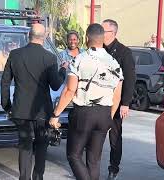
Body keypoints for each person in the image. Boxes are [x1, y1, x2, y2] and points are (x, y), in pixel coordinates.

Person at [50, 23, 124, 180]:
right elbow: (117, 95)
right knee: (94, 161)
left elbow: (70, 90)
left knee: (74, 155)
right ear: (103, 39)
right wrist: (109, 116)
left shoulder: (79, 60)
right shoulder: (114, 63)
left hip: (84, 113)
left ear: (86, 38)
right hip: (105, 113)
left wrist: (56, 114)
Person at [1, 23, 68, 180]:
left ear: (28, 36)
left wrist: (7, 106)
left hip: (20, 109)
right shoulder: (50, 57)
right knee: (41, 146)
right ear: (44, 38)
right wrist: (63, 70)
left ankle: (24, 177)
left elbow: (5, 82)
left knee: (25, 147)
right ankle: (38, 177)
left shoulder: (15, 54)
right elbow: (56, 84)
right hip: (42, 111)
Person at [101, 19, 136, 180]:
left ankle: (113, 168)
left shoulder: (124, 52)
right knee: (95, 134)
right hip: (98, 100)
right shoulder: (97, 49)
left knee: (114, 137)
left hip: (116, 102)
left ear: (112, 33)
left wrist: (126, 103)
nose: (101, 33)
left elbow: (130, 79)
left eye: (103, 30)